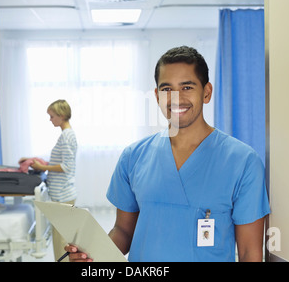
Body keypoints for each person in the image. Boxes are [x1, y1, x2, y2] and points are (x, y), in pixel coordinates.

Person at [66, 46, 270, 262]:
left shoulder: (243, 162)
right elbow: (124, 233)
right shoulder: (133, 157)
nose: (176, 98)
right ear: (156, 96)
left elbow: (250, 253)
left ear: (207, 92)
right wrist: (91, 255)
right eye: (166, 89)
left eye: (187, 87)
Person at [19, 99, 78, 262]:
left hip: (63, 194)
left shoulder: (66, 137)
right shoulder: (68, 134)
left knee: (61, 241)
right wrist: (34, 160)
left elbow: (66, 166)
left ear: (61, 115)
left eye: (52, 116)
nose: (50, 120)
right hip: (65, 192)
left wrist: (44, 168)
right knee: (62, 237)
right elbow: (60, 161)